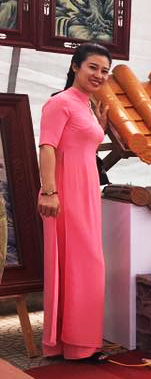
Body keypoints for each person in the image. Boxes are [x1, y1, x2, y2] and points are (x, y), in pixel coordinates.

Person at [38, 43, 111, 360]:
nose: (99, 75)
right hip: (65, 193)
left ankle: (74, 342)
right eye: (93, 67)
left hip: (87, 193)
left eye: (105, 71)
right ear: (75, 66)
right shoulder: (60, 103)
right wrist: (49, 191)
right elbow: (47, 147)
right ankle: (78, 344)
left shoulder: (87, 105)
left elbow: (82, 146)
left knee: (81, 265)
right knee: (82, 266)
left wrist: (99, 128)